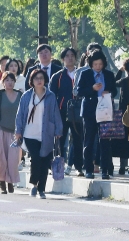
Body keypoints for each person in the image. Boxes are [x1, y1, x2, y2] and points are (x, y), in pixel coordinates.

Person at [15, 69, 62, 199]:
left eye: (41, 78)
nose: (39, 80)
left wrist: (58, 130)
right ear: (32, 81)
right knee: (35, 158)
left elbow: (55, 113)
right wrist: (18, 131)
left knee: (45, 160)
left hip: (46, 133)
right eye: (36, 78)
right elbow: (20, 115)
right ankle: (34, 184)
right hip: (29, 133)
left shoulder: (51, 96)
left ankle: (41, 189)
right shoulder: (26, 96)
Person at [77, 50, 117, 179]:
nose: (98, 67)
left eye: (100, 64)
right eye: (95, 64)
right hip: (90, 111)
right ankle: (88, 168)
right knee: (89, 140)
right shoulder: (85, 74)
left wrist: (108, 92)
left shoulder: (109, 74)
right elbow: (79, 91)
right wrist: (92, 89)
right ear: (91, 64)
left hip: (105, 110)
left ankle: (105, 169)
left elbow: (115, 90)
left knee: (104, 141)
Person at [0, 72, 23, 194]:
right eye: (7, 80)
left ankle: (10, 181)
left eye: (12, 80)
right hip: (0, 130)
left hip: (15, 133)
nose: (10, 82)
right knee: (1, 159)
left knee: (13, 160)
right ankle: (2, 182)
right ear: (3, 82)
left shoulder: (20, 95)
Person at [50, 47, 83, 176]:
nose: (70, 58)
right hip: (61, 111)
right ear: (63, 59)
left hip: (77, 111)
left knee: (78, 139)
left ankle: (79, 167)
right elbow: (52, 96)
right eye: (67, 56)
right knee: (60, 140)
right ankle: (58, 166)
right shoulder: (57, 76)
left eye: (72, 56)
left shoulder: (80, 74)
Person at [114, 58, 129, 176]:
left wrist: (120, 70)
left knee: (123, 140)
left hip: (124, 114)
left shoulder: (124, 81)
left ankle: (122, 166)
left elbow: (113, 82)